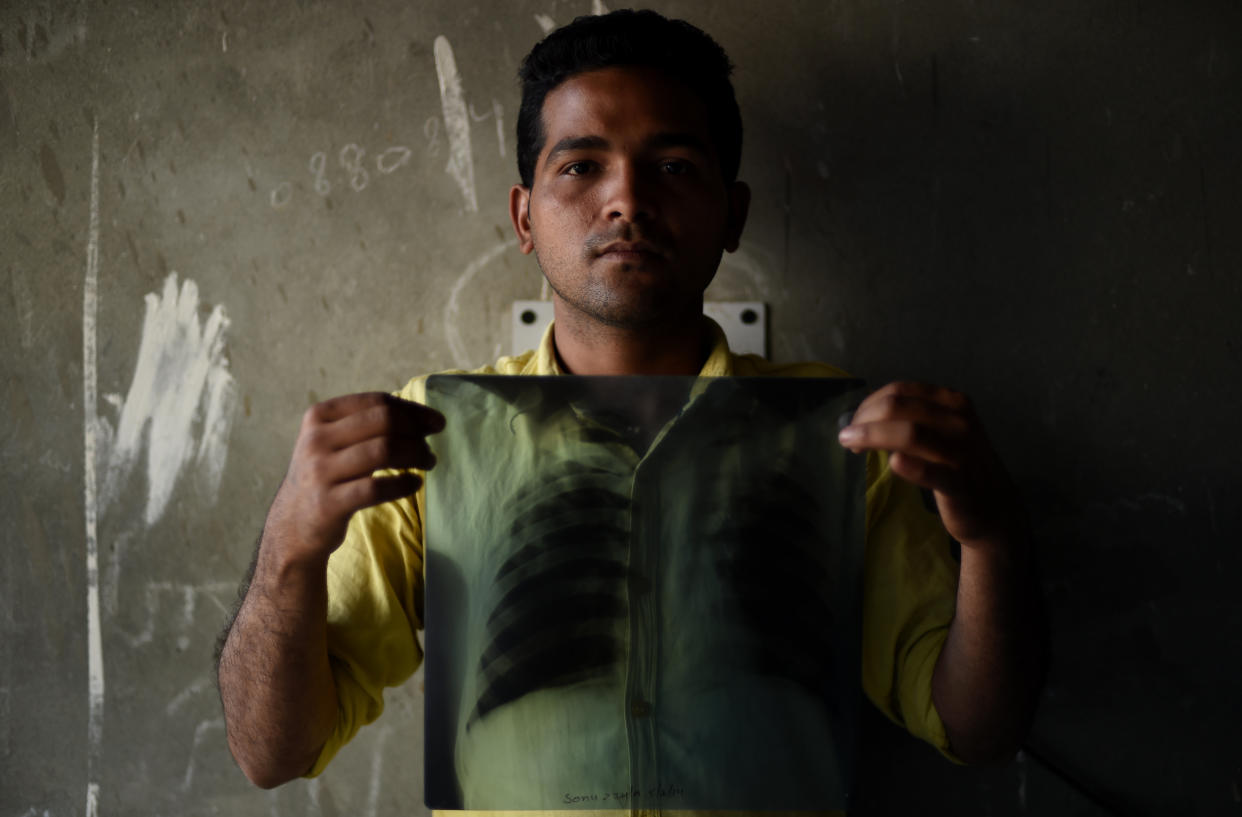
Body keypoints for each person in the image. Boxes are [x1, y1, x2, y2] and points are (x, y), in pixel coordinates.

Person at [215, 7, 1044, 810]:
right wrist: (289, 548)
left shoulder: (842, 435)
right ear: (524, 217)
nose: (628, 201)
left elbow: (976, 728)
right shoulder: (427, 434)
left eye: (675, 166)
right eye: (580, 166)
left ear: (734, 214)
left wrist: (991, 532)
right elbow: (271, 753)